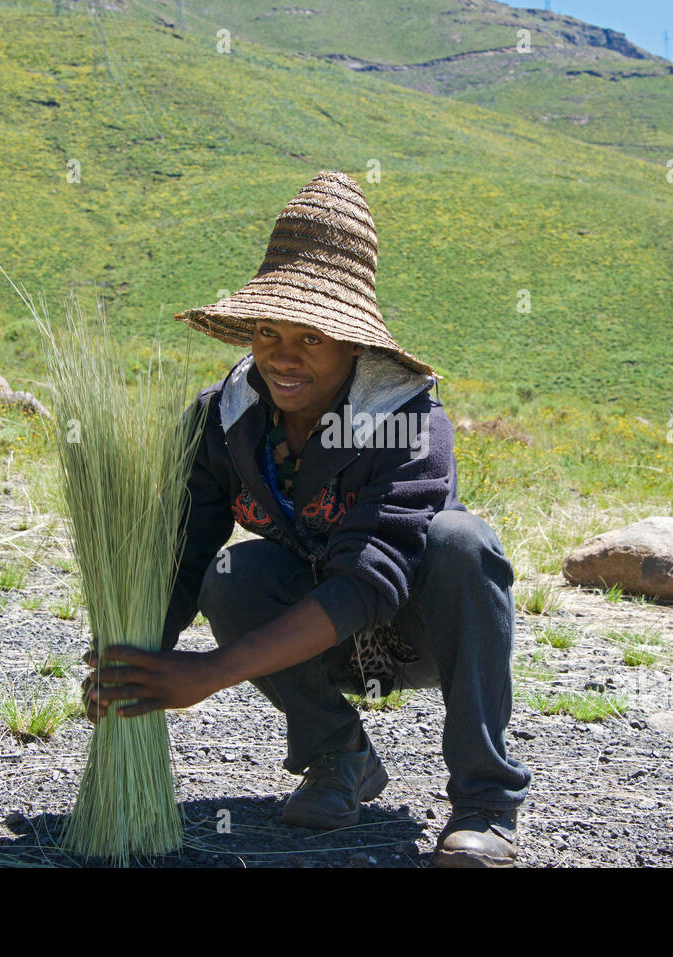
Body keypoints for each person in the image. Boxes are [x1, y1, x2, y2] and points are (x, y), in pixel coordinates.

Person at [82, 170, 531, 867]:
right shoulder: (223, 418)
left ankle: (486, 803)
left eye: (311, 336)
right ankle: (339, 757)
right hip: (317, 638)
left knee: (463, 543)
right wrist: (134, 658)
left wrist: (208, 673)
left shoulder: (408, 420)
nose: (282, 355)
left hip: (418, 633)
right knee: (231, 573)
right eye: (268, 330)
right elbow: (185, 551)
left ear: (356, 344)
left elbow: (367, 582)